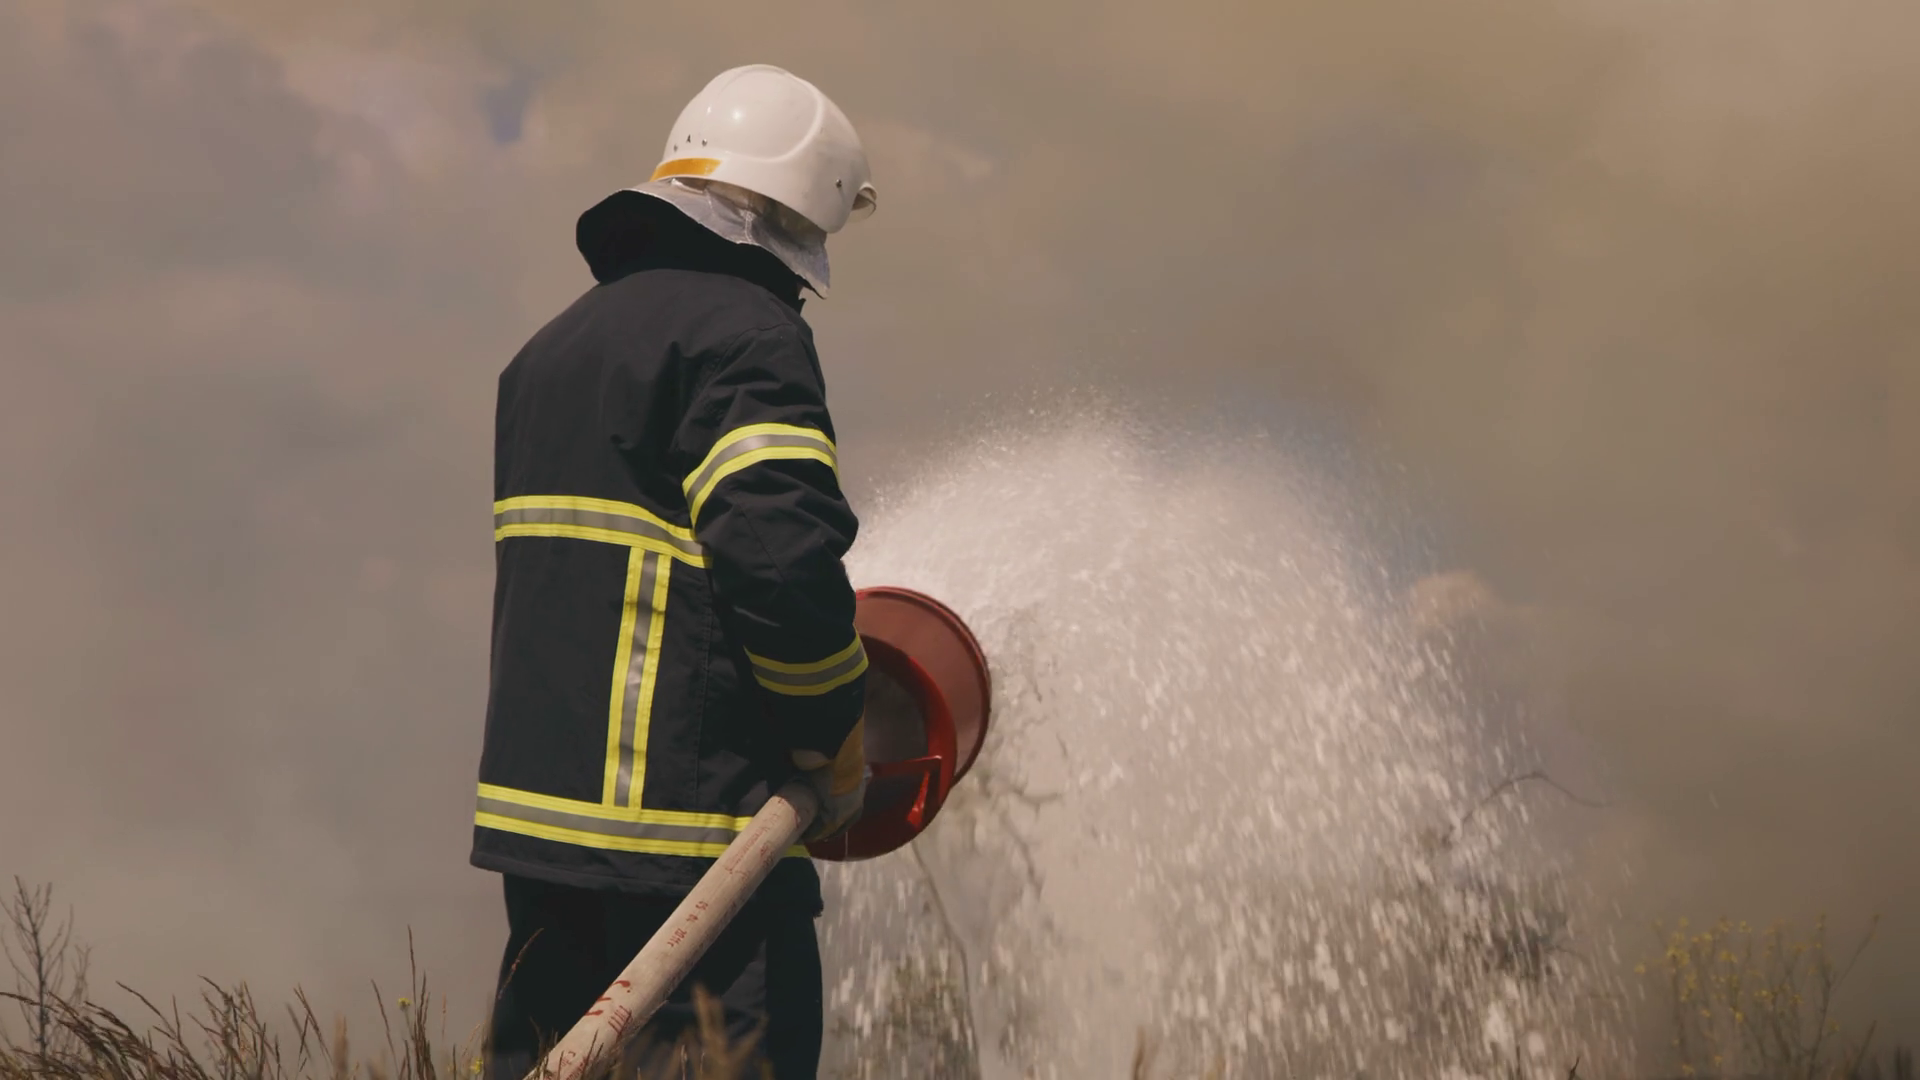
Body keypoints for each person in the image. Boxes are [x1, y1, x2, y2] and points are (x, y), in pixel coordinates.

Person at [471, 64, 879, 1080]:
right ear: (798, 220)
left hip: (544, 840)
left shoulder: (551, 349)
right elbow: (779, 566)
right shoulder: (747, 340)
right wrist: (835, 729)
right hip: (695, 842)